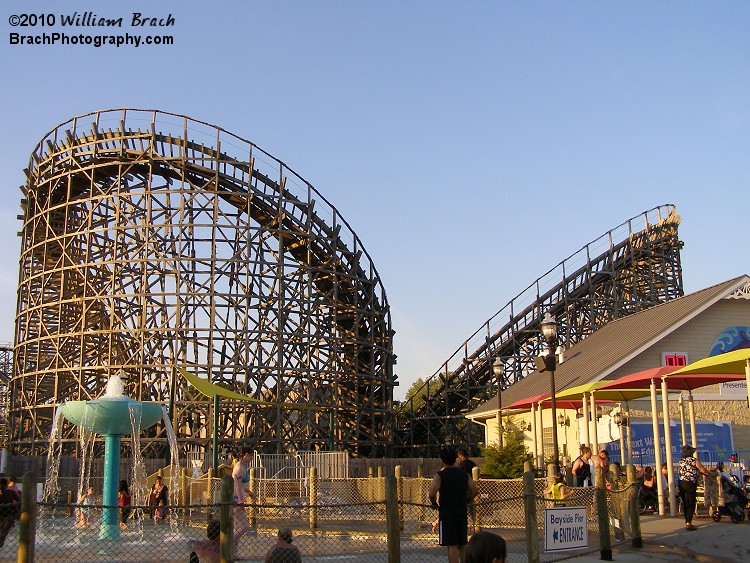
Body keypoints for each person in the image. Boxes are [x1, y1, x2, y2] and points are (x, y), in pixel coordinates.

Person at [428, 446, 478, 563]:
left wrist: (434, 503)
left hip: (447, 512)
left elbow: (431, 493)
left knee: (452, 545)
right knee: (462, 543)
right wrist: (467, 500)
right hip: (461, 511)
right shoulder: (464, 475)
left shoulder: (440, 476)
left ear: (443, 460)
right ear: (455, 459)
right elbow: (474, 490)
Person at [677, 444, 710, 531]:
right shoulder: (694, 460)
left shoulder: (681, 461)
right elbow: (703, 470)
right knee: (691, 502)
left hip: (681, 482)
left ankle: (686, 520)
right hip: (690, 483)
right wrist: (710, 474)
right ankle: (689, 523)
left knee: (685, 502)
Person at [233, 446, 257, 551]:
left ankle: (233, 553)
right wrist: (240, 500)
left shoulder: (242, 466)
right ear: (246, 455)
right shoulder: (239, 468)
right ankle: (227, 542)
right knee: (244, 527)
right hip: (236, 499)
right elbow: (237, 485)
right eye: (251, 456)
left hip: (238, 498)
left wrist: (249, 492)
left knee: (237, 528)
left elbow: (242, 485)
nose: (252, 459)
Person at [0, 478, 19, 548]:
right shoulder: (10, 492)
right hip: (8, 516)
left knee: (3, 533)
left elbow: (19, 501)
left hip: (8, 516)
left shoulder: (10, 492)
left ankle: (1, 541)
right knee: (3, 533)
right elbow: (19, 501)